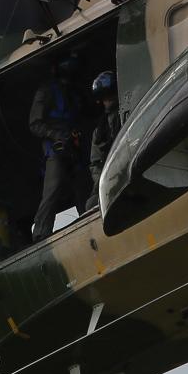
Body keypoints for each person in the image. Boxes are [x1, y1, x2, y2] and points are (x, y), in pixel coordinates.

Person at [29, 54, 91, 240]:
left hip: (74, 146)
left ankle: (89, 218)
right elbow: (34, 124)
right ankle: (41, 232)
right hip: (56, 149)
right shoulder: (46, 92)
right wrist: (56, 136)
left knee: (83, 185)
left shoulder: (73, 92)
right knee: (53, 189)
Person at [85, 70, 120, 210]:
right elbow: (95, 163)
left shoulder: (127, 112)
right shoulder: (99, 131)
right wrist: (103, 183)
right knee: (91, 205)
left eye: (110, 96)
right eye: (105, 97)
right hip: (109, 178)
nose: (108, 100)